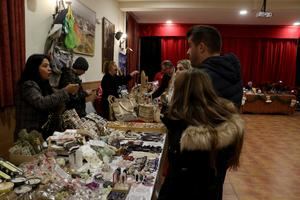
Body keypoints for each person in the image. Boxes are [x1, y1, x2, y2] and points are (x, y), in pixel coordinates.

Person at [158, 69, 244, 200]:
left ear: (180, 92)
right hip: (211, 192)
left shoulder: (181, 126)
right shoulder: (224, 125)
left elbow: (176, 178)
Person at [15, 54, 79, 138]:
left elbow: (54, 98)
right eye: (45, 66)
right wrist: (65, 90)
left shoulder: (43, 84)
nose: (50, 69)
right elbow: (42, 103)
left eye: (49, 66)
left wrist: (70, 92)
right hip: (29, 135)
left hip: (42, 132)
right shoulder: (28, 85)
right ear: (34, 68)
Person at [186, 25, 243, 107]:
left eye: (190, 46)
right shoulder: (233, 70)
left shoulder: (198, 78)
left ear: (201, 47)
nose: (188, 52)